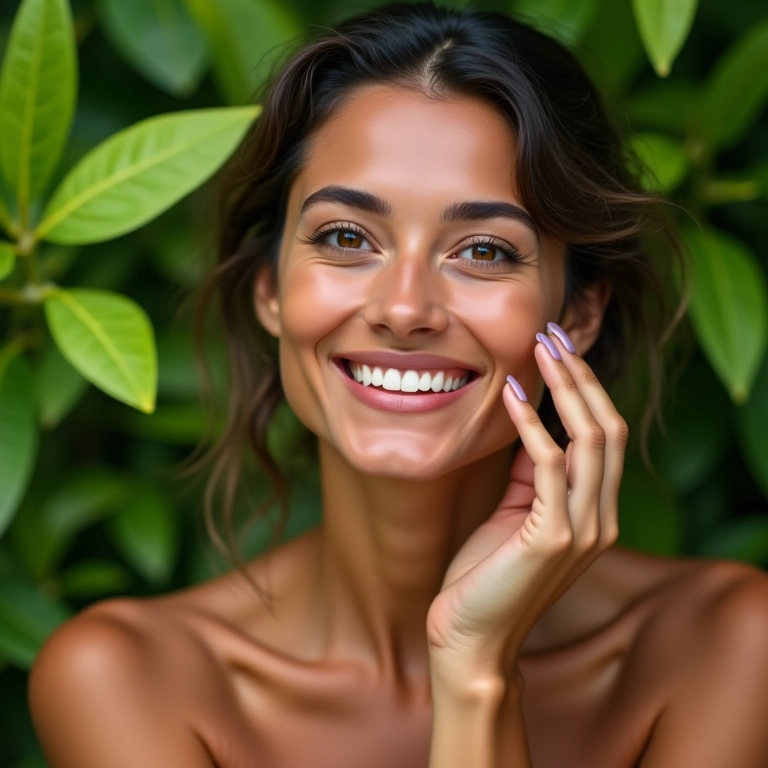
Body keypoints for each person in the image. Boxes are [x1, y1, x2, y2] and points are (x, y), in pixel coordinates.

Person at [27, 3, 768, 767]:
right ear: (271, 292)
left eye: (482, 250)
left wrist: (477, 673)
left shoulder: (727, 647)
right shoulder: (127, 679)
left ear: (577, 312)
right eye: (347, 238)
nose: (404, 308)